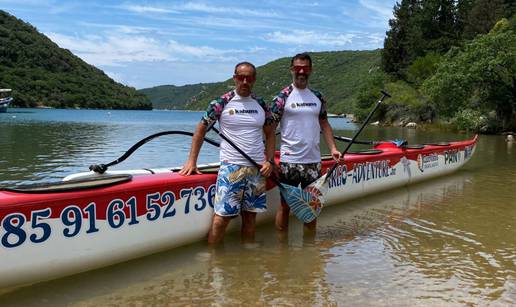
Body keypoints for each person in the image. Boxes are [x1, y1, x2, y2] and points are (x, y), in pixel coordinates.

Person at [179, 62, 275, 245]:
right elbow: (200, 131)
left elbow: (270, 134)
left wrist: (270, 161)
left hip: (257, 169)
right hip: (231, 167)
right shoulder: (221, 103)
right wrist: (192, 161)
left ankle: (248, 260)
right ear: (234, 78)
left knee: (250, 219)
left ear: (254, 79)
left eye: (248, 77)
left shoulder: (261, 104)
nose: (244, 81)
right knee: (221, 219)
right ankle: (214, 262)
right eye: (241, 77)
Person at [271, 53, 341, 232]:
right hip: (289, 162)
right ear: (291, 70)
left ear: (311, 70)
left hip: (313, 161)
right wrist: (270, 159)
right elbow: (270, 130)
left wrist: (333, 148)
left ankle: (310, 249)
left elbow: (324, 124)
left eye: (305, 68)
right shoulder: (282, 98)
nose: (301, 72)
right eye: (297, 68)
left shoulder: (318, 97)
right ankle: (282, 250)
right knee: (285, 206)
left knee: (312, 204)